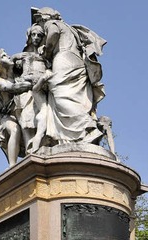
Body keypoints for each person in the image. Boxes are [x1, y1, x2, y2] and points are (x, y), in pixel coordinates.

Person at [33, 7, 107, 145]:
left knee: (60, 94)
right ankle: (80, 134)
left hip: (64, 60)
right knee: (73, 97)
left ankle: (87, 127)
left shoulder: (52, 23)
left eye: (39, 21)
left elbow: (53, 33)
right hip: (77, 62)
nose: (40, 25)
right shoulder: (70, 28)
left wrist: (47, 51)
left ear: (45, 17)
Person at [0, 48, 33, 166]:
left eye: (6, 54)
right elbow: (14, 88)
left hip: (21, 112)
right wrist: (34, 83)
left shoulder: (18, 75)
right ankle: (12, 165)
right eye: (3, 56)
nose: (7, 56)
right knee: (15, 130)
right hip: (8, 117)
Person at [12, 24, 53, 152]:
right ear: (29, 37)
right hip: (26, 91)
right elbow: (9, 64)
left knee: (42, 116)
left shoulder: (45, 57)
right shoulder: (23, 55)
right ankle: (30, 148)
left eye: (39, 35)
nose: (36, 38)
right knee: (26, 118)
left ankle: (42, 144)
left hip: (42, 88)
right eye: (33, 35)